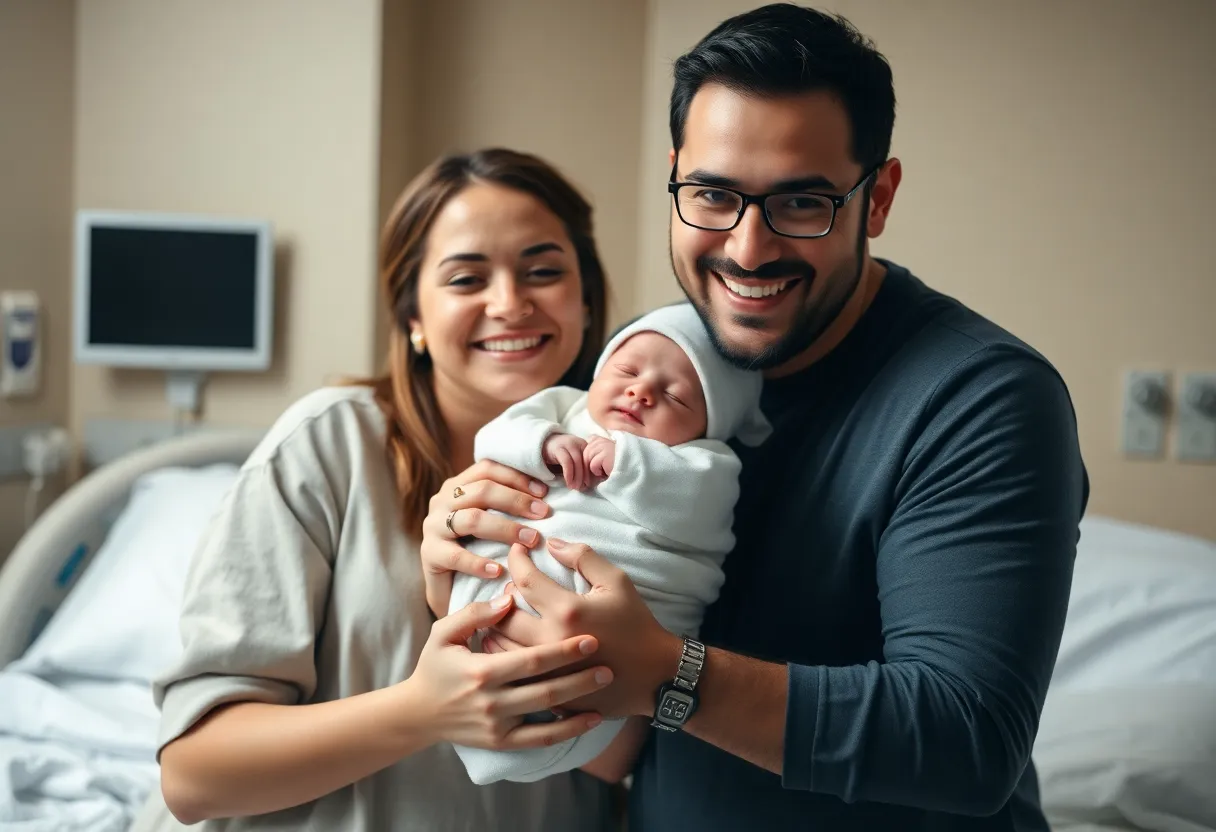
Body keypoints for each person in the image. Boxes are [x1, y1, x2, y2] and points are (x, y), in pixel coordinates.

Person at [418, 5, 1089, 831]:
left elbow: (967, 740)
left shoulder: (980, 402)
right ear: (675, 177)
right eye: (712, 195)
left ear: (876, 198)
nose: (746, 249)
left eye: (802, 203)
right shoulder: (653, 371)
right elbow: (612, 734)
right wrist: (471, 573)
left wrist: (669, 673)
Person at [148, 148, 622, 831]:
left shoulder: (631, 470)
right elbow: (194, 777)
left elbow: (620, 754)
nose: (510, 303)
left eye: (543, 272)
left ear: (585, 298)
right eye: (466, 279)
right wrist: (423, 710)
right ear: (413, 318)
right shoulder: (330, 445)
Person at [444, 301, 771, 785]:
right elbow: (495, 437)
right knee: (478, 646)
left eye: (675, 397)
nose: (640, 391)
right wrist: (544, 445)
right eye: (626, 370)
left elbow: (693, 508)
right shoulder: (562, 409)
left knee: (570, 689)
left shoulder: (707, 463)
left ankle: (534, 733)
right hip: (507, 583)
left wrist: (628, 463)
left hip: (613, 631)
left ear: (708, 428)